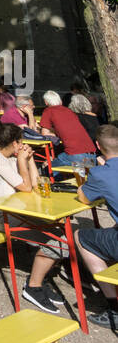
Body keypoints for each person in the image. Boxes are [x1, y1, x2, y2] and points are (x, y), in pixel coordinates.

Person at [0, 121, 69, 315]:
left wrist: (30, 160)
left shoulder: (10, 157)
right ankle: (33, 287)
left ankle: (39, 280)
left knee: (59, 231)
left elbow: (35, 185)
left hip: (14, 211)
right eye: (21, 142)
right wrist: (21, 161)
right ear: (15, 142)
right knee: (59, 242)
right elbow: (26, 187)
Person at [74, 123, 118, 330]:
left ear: (98, 146)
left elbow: (83, 198)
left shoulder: (101, 174)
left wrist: (96, 172)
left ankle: (114, 305)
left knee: (81, 236)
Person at [39, 91, 95, 167]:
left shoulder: (48, 111)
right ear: (60, 101)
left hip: (75, 154)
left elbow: (44, 133)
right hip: (92, 155)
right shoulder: (69, 111)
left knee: (50, 167)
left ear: (46, 102)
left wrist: (56, 134)